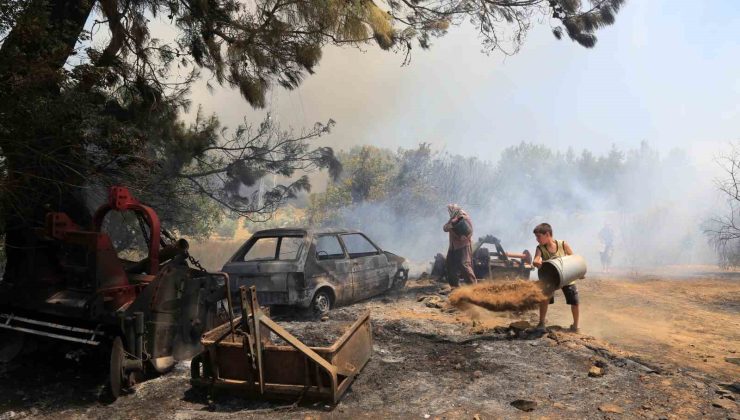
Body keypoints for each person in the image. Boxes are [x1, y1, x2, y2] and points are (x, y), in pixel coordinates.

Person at [532, 223, 579, 332]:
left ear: (547, 234)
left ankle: (575, 326)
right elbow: (536, 259)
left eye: (539, 236)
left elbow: (574, 259)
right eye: (536, 237)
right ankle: (541, 323)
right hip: (551, 279)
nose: (537, 239)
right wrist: (536, 262)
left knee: (575, 302)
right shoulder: (540, 248)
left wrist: (579, 272)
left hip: (567, 277)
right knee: (544, 299)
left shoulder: (562, 245)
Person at [443, 204, 477, 287]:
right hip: (453, 247)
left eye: (450, 210)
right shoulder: (452, 218)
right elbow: (445, 228)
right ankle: (455, 287)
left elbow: (469, 232)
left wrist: (464, 236)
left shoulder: (464, 217)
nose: (449, 212)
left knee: (464, 265)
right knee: (450, 265)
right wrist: (450, 225)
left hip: (463, 246)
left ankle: (473, 287)